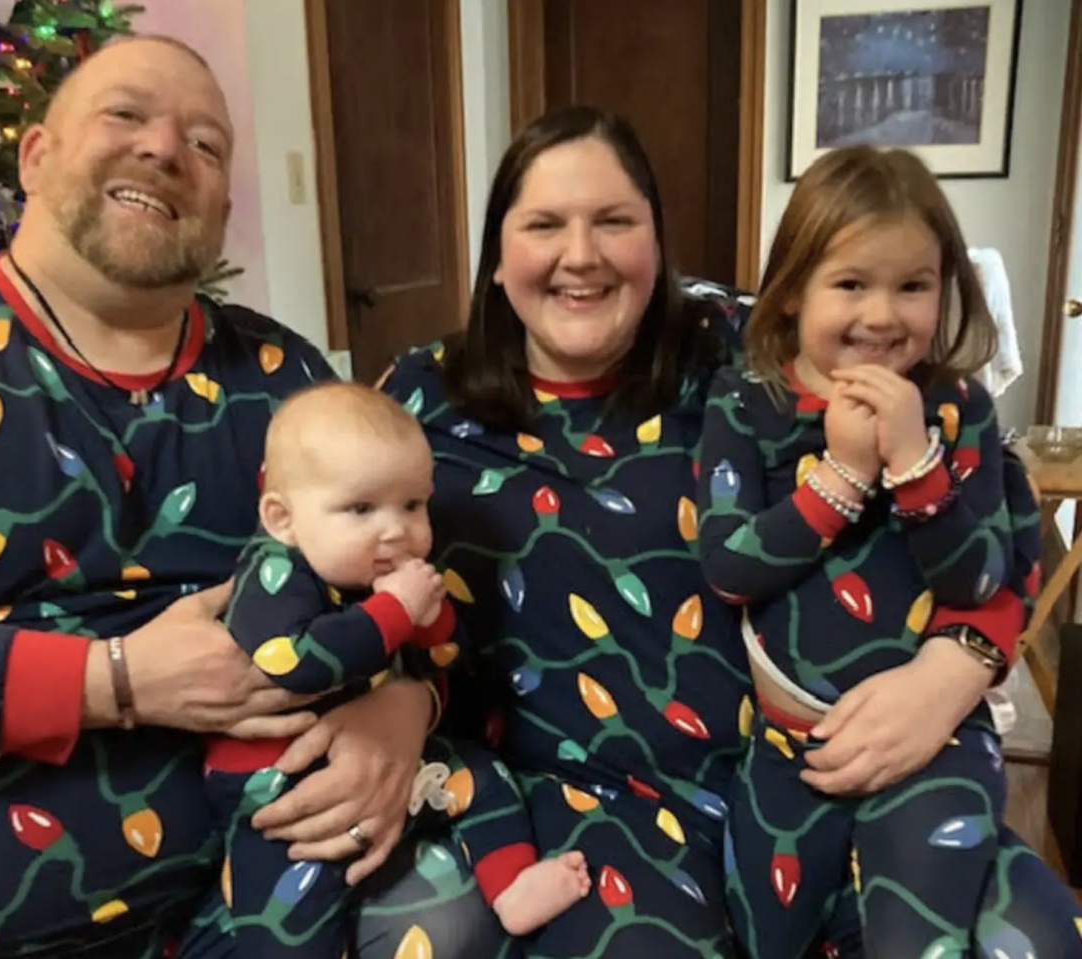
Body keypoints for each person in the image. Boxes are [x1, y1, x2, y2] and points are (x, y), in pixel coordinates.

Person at [359, 105, 1082, 958]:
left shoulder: (757, 343)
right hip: (589, 803)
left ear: (657, 243)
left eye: (615, 221)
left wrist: (954, 669)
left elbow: (994, 494)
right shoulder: (418, 399)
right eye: (545, 224)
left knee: (1032, 935)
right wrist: (398, 702)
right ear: (496, 256)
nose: (581, 254)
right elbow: (335, 574)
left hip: (840, 764)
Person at [0, 36, 439, 958]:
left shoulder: (284, 378)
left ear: (220, 207)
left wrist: (407, 707)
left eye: (207, 144)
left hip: (264, 886)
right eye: (125, 115)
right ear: (35, 155)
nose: (166, 150)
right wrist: (116, 683)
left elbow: (414, 576)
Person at [697, 145, 1024, 958]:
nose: (883, 316)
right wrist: (843, 476)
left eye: (912, 285)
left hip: (938, 743)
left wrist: (916, 465)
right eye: (851, 283)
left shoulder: (957, 408)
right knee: (765, 937)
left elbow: (980, 575)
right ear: (793, 288)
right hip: (784, 747)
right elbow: (730, 567)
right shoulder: (746, 402)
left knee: (919, 937)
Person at [207, 381, 589, 956]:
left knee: (482, 778)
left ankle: (511, 884)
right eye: (361, 509)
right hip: (284, 795)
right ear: (282, 518)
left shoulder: (383, 577)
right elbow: (292, 660)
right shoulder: (275, 570)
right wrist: (395, 612)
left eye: (413, 505)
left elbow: (446, 661)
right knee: (288, 918)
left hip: (395, 764)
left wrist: (431, 621)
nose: (397, 529)